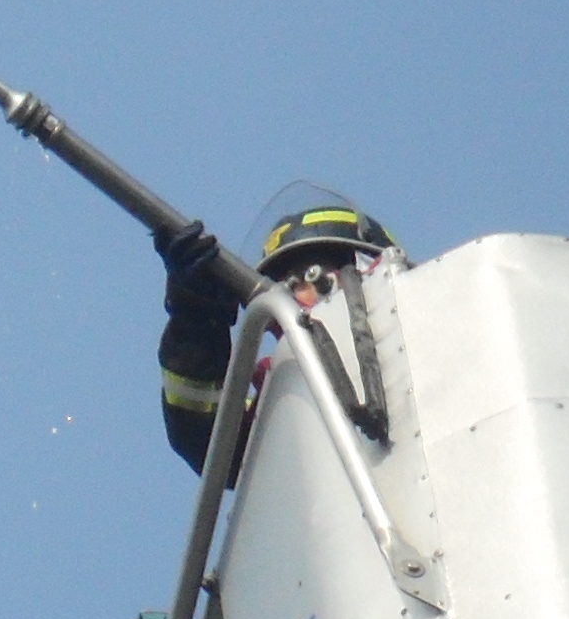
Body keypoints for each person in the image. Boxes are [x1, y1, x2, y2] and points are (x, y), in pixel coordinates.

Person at [155, 197, 395, 471]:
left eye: (309, 274)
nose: (289, 294)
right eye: (282, 284)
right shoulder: (282, 391)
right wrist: (196, 320)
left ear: (366, 268)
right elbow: (205, 438)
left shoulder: (426, 334)